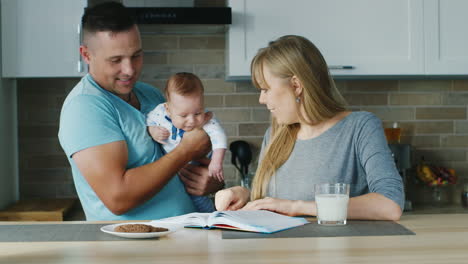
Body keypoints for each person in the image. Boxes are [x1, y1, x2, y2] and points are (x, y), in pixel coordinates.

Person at [58, 2, 223, 221]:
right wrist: (185, 151)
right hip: (134, 249)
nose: (129, 70)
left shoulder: (151, 96)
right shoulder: (84, 108)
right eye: (116, 60)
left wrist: (210, 181)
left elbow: (186, 163)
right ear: (86, 55)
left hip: (185, 237)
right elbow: (118, 198)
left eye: (136, 56)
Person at [215, 35, 404, 221]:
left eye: (266, 89)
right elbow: (273, 202)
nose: (261, 99)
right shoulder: (275, 134)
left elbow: (390, 204)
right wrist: (244, 194)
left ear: (296, 85)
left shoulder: (360, 127)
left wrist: (296, 207)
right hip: (277, 250)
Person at [146, 72, 227, 212]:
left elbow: (219, 137)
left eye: (197, 113)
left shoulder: (207, 118)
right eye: (183, 115)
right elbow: (149, 120)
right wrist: (153, 131)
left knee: (196, 196)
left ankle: (210, 216)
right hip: (173, 166)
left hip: (196, 164)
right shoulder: (160, 113)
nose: (191, 121)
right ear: (168, 109)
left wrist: (216, 162)